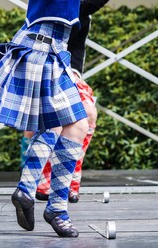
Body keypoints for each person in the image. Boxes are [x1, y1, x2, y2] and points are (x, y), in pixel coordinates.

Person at [0, 0, 90, 237]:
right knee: (59, 123)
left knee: (74, 125)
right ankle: (51, 204)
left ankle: (37, 195)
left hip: (49, 50)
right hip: (43, 48)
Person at [22, 0, 109, 203]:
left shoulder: (81, 8)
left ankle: (66, 182)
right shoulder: (65, 4)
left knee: (86, 114)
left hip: (69, 70)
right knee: (48, 123)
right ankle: (35, 184)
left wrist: (75, 74)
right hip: (43, 65)